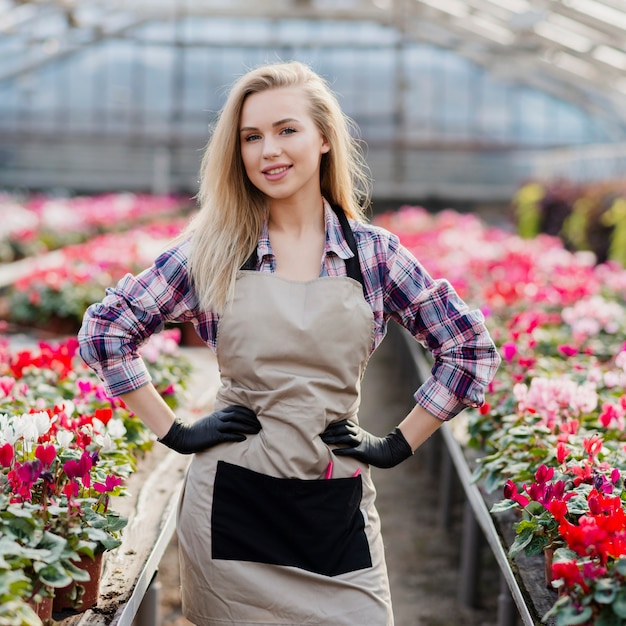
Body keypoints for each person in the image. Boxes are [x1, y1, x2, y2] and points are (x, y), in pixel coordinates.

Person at [78, 60, 501, 626]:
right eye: (251, 137)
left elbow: (469, 349)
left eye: (287, 130)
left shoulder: (373, 255)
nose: (268, 150)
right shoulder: (215, 250)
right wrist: (174, 432)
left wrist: (397, 444)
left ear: (325, 139)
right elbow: (107, 330)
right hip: (231, 510)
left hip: (334, 506)